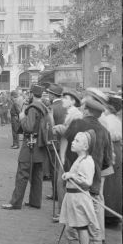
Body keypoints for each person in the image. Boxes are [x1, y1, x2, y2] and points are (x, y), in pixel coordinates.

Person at [58, 97, 113, 244]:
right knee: (93, 211)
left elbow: (65, 138)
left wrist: (63, 159)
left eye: (83, 107)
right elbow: (107, 160)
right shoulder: (104, 130)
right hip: (94, 179)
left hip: (75, 177)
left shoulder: (76, 124)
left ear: (87, 110)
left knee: (75, 210)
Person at [1, 85, 54, 210]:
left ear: (31, 94)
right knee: (37, 174)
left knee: (22, 173)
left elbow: (29, 127)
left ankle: (15, 202)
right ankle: (35, 202)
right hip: (40, 146)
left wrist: (22, 118)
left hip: (30, 146)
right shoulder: (44, 108)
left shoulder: (32, 108)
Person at [59, 130, 100, 244]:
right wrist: (69, 174)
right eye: (74, 139)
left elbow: (87, 181)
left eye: (77, 141)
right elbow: (78, 175)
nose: (72, 142)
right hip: (74, 197)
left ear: (85, 147)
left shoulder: (87, 161)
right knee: (79, 227)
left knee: (82, 228)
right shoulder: (80, 158)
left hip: (79, 199)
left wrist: (72, 176)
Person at [52, 88, 83, 221]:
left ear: (72, 101)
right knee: (62, 182)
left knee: (62, 182)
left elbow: (70, 134)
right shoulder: (71, 113)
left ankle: (63, 213)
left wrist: (60, 128)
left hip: (70, 152)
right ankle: (63, 211)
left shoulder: (75, 115)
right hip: (67, 151)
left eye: (65, 98)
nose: (63, 100)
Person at [44, 84, 65, 198]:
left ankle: (56, 193)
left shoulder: (52, 108)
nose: (48, 96)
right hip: (65, 142)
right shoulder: (66, 106)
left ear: (52, 95)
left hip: (54, 142)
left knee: (54, 168)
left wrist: (48, 140)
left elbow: (49, 127)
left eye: (49, 94)